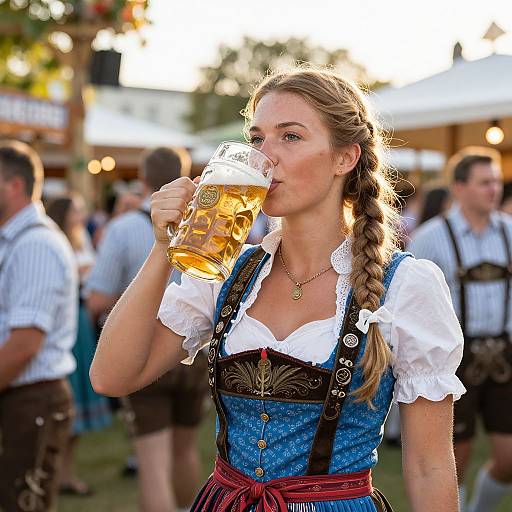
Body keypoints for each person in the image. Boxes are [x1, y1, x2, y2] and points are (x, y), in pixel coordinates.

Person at [91, 68, 465, 511]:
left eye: (290, 137)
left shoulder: (405, 285)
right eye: (256, 139)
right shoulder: (229, 272)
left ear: (344, 158)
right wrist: (162, 249)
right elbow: (111, 377)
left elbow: (429, 467)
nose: (264, 157)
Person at [86, 147, 208, 512]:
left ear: (142, 180)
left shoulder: (121, 228)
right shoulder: (207, 222)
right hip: (193, 349)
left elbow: (97, 299)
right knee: (185, 446)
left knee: (153, 459)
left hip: (141, 347)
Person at [409, 151, 512, 512]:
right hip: (453, 357)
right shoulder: (429, 238)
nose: (494, 189)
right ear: (459, 187)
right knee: (455, 458)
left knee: (509, 458)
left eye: (496, 182)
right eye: (485, 182)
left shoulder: (510, 231)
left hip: (504, 352)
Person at [0, 140, 77, 511]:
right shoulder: (15, 239)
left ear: (13, 185)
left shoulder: (35, 245)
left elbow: (25, 344)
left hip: (29, 395)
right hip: (20, 393)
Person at [46, 193, 111, 496]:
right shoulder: (52, 242)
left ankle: (66, 474)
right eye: (77, 210)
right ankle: (55, 474)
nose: (82, 214)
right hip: (66, 321)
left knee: (77, 402)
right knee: (64, 399)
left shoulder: (81, 240)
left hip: (82, 321)